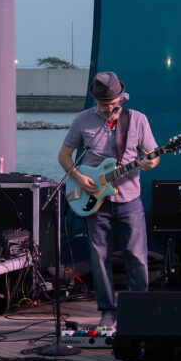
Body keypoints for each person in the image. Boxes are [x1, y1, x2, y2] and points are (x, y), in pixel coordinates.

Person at [58, 71, 158, 327]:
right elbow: (64, 156)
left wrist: (151, 162)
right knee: (99, 258)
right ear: (95, 99)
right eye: (103, 104)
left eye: (112, 103)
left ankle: (138, 308)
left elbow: (153, 155)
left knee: (136, 256)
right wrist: (80, 179)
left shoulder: (137, 119)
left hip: (129, 199)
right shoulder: (83, 120)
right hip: (94, 200)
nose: (108, 108)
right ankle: (107, 311)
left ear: (120, 98)